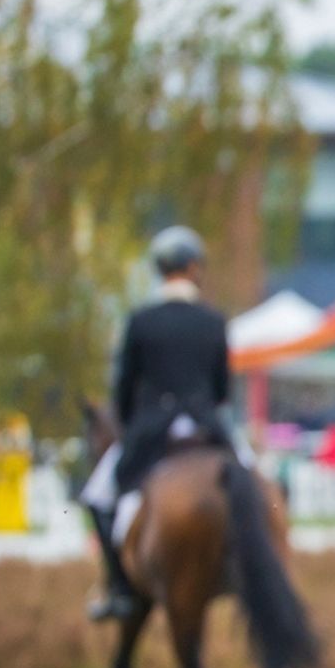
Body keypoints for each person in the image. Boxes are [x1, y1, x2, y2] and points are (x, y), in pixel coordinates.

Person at [78, 225, 236, 621]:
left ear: (160, 269)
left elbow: (125, 388)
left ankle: (118, 589)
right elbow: (221, 390)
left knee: (99, 497)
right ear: (194, 268)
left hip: (152, 429)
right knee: (258, 486)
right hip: (206, 427)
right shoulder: (213, 320)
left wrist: (133, 426)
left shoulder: (141, 321)